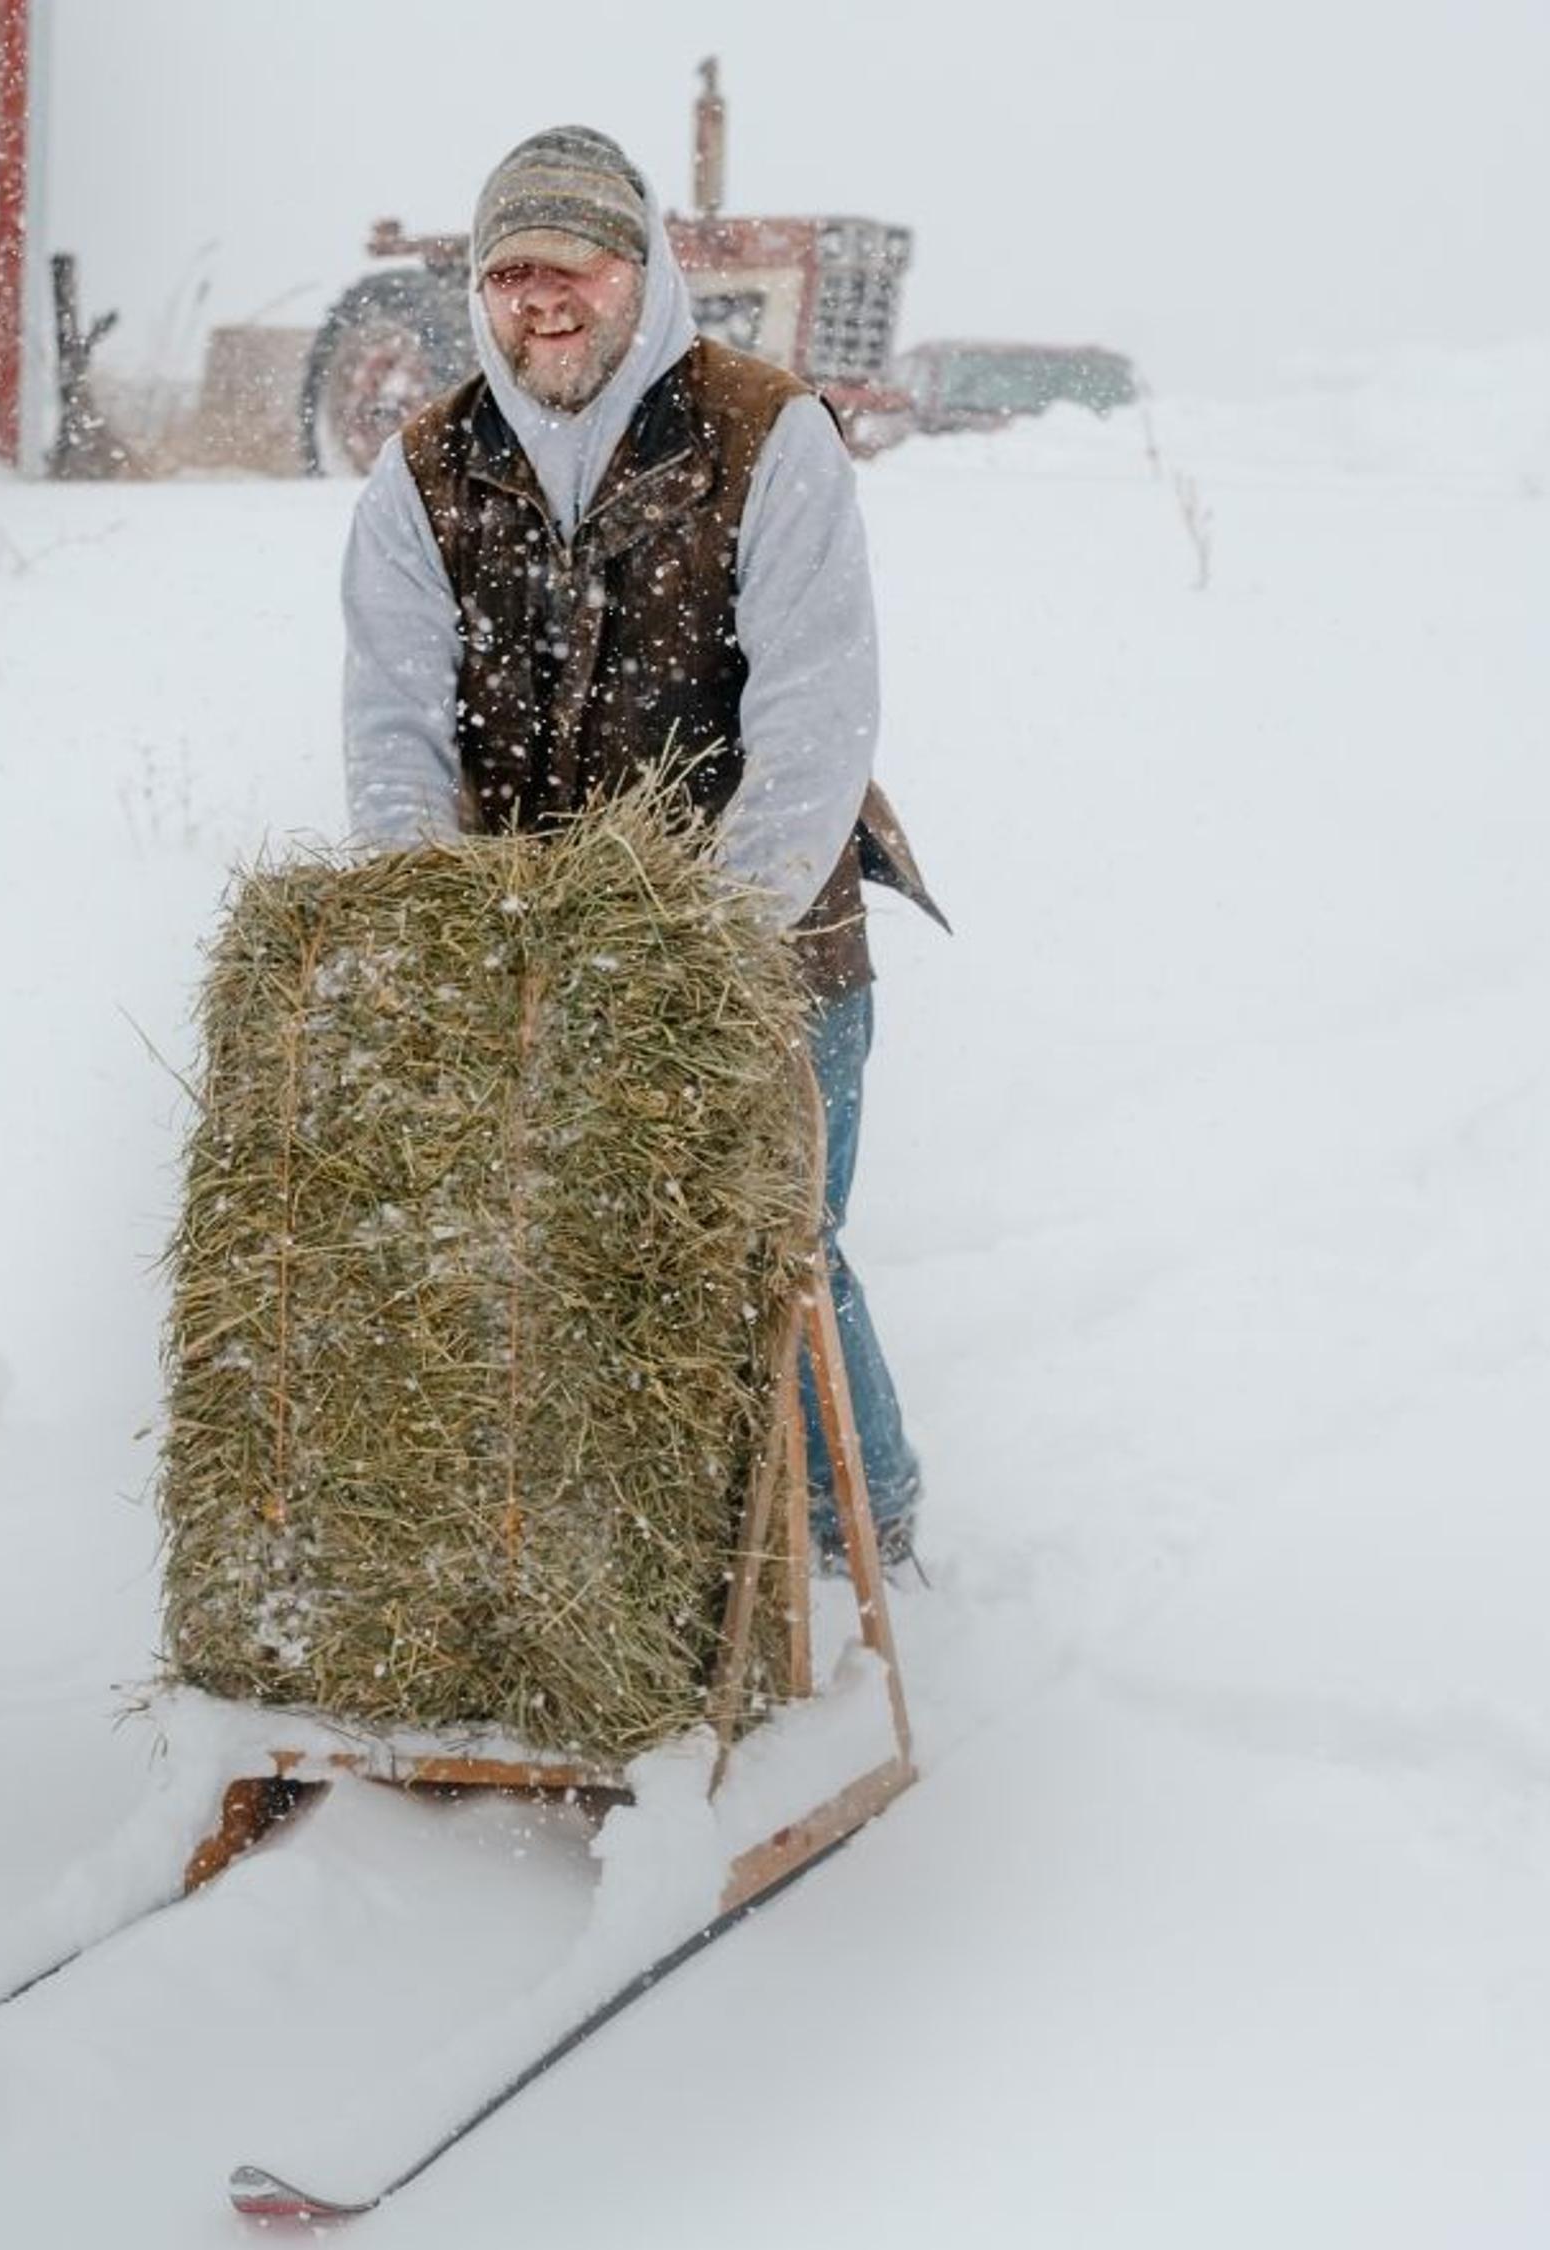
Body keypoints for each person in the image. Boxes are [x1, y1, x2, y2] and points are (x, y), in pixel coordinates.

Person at [339, 123, 945, 1569]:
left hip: (769, 944)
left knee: (772, 1251)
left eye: (576, 268)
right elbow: (395, 733)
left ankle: (856, 1533)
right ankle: (640, 1555)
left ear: (645, 270)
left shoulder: (763, 434)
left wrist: (702, 944)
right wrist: (442, 925)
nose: (544, 302)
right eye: (510, 275)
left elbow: (815, 719)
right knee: (574, 1262)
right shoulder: (423, 476)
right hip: (536, 952)